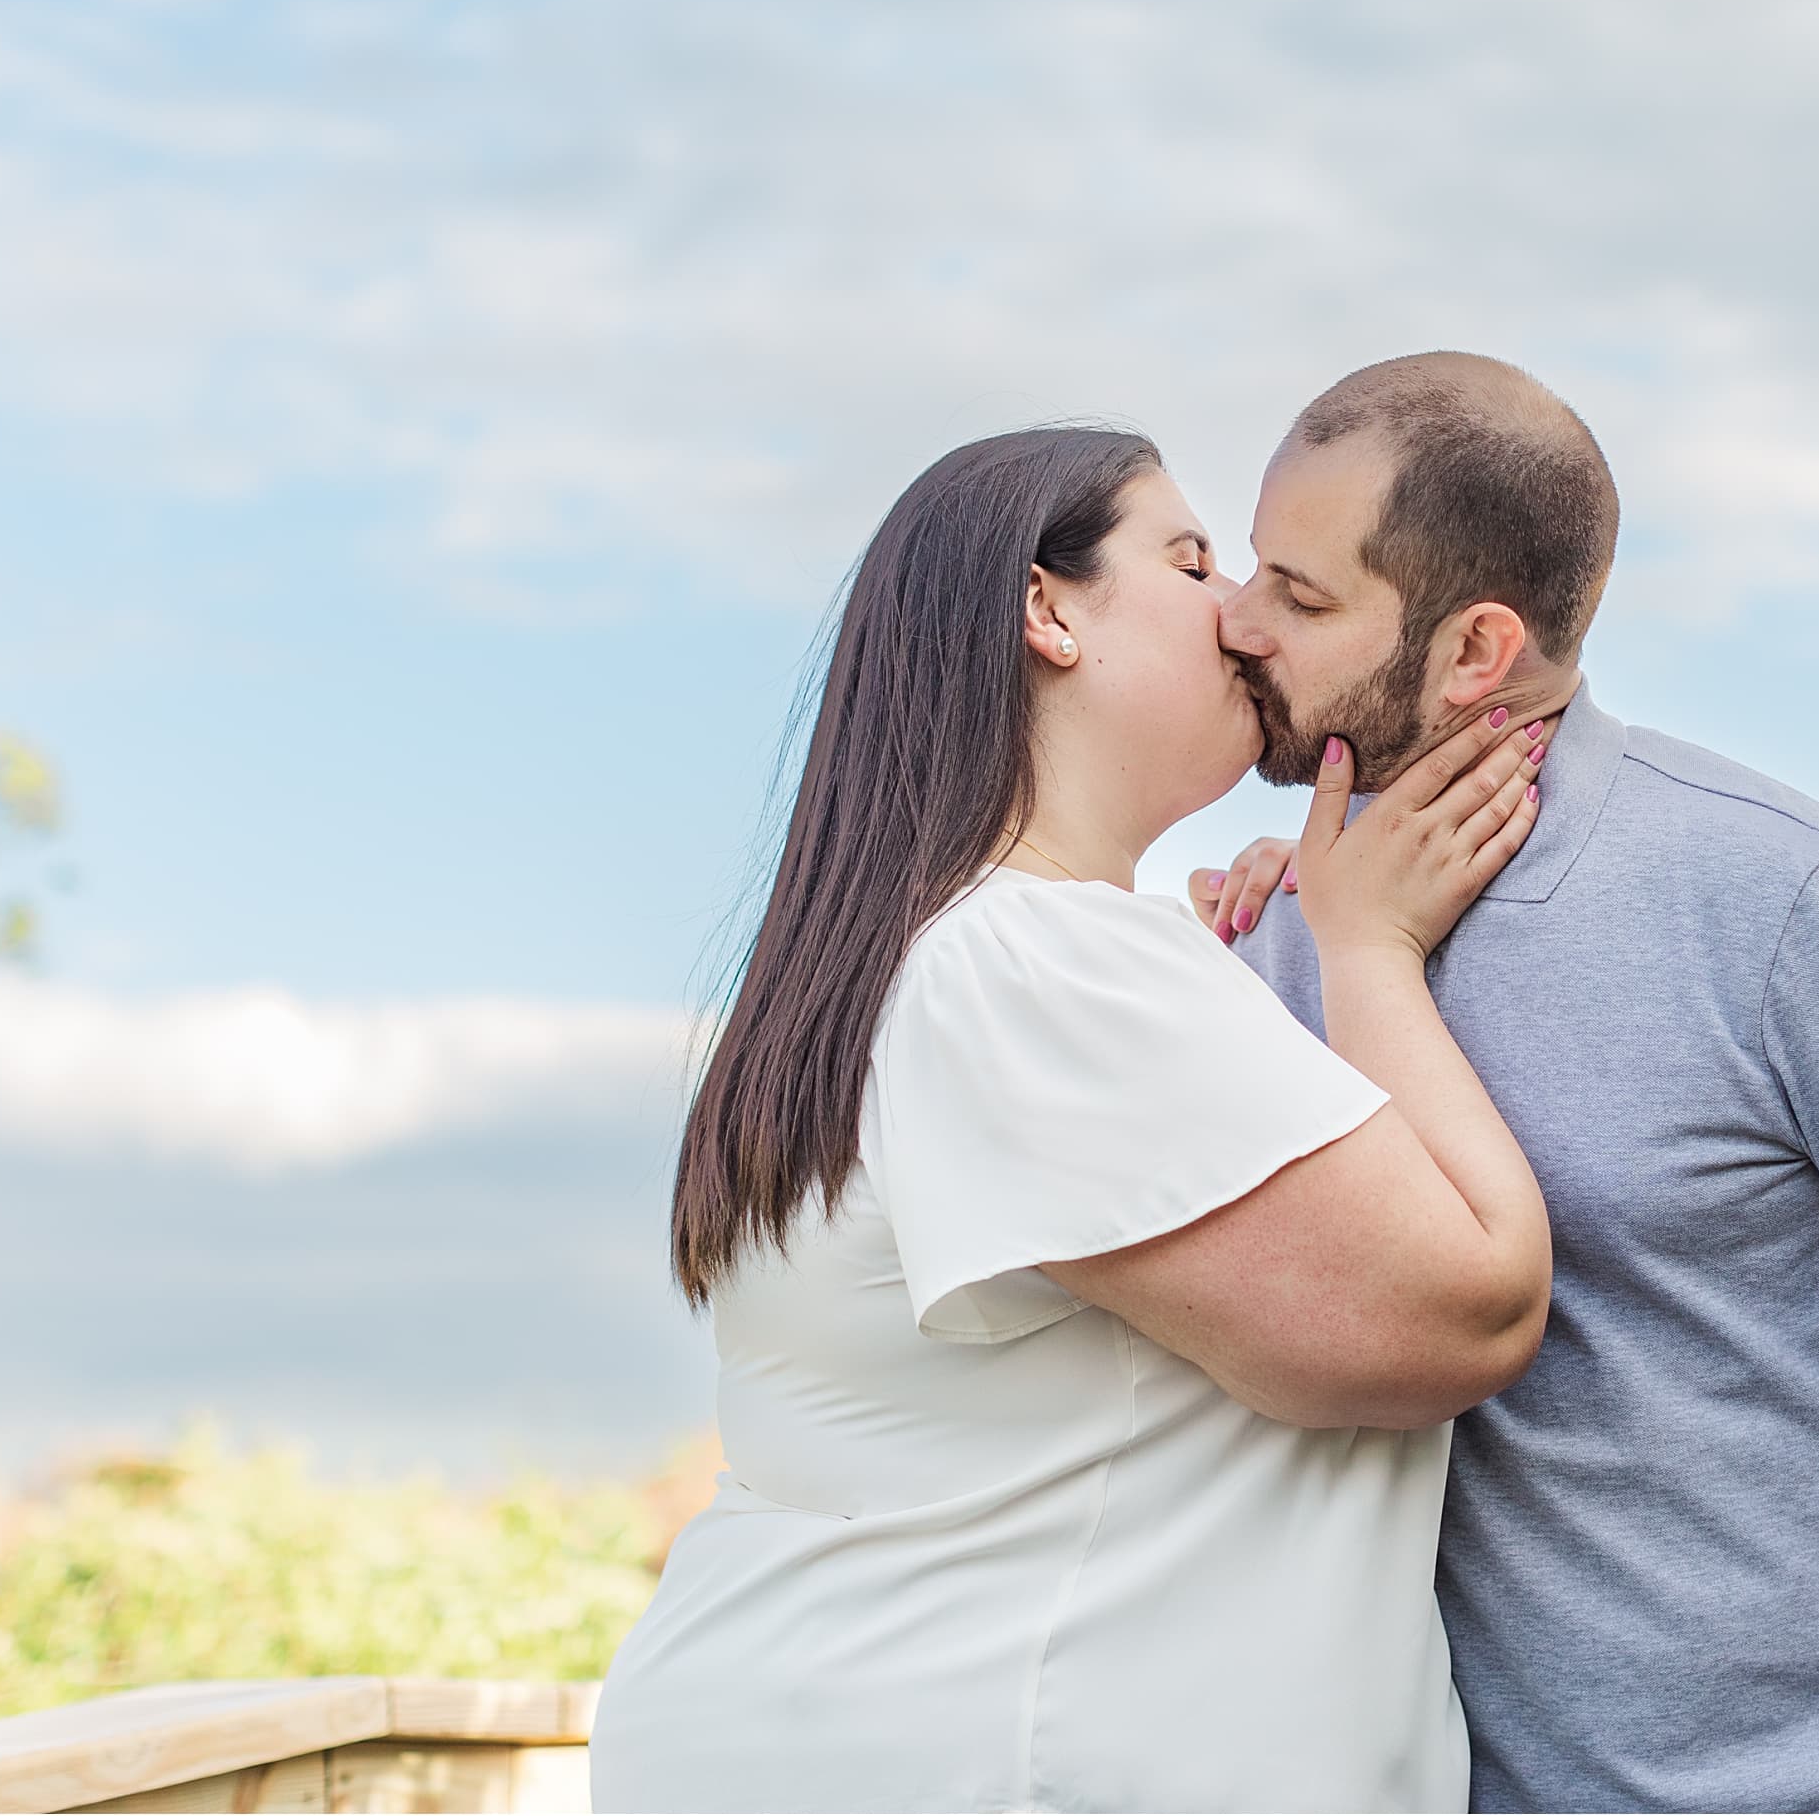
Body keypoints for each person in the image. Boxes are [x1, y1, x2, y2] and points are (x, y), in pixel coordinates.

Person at [1197, 355, 1819, 1816]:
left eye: (1300, 596)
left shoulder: (1777, 889)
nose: (1234, 621)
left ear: (1472, 649)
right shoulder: (1270, 935)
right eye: (1250, 565)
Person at [589, 426, 1554, 1814]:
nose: (1237, 612)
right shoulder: (1035, 966)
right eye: (1189, 560)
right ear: (1046, 609)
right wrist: (1367, 951)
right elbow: (1461, 1309)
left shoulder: (937, 962)